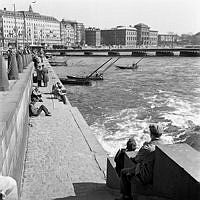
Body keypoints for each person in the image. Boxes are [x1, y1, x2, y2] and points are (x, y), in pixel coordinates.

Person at [115, 124, 168, 200]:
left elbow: (136, 160)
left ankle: (126, 197)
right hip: (160, 174)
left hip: (146, 176)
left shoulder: (148, 148)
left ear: (150, 134)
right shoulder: (166, 145)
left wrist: (143, 146)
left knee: (123, 172)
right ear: (161, 134)